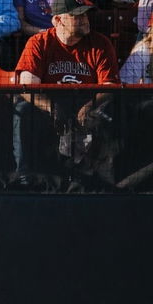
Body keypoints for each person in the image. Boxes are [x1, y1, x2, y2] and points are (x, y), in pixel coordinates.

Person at [13, 0, 120, 188]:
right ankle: (25, 175)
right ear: (57, 20)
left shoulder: (101, 43)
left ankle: (105, 180)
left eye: (85, 15)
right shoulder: (39, 42)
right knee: (23, 108)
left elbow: (109, 85)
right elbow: (27, 86)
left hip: (87, 101)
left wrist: (89, 106)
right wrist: (52, 108)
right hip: (50, 101)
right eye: (76, 16)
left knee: (113, 109)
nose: (84, 20)